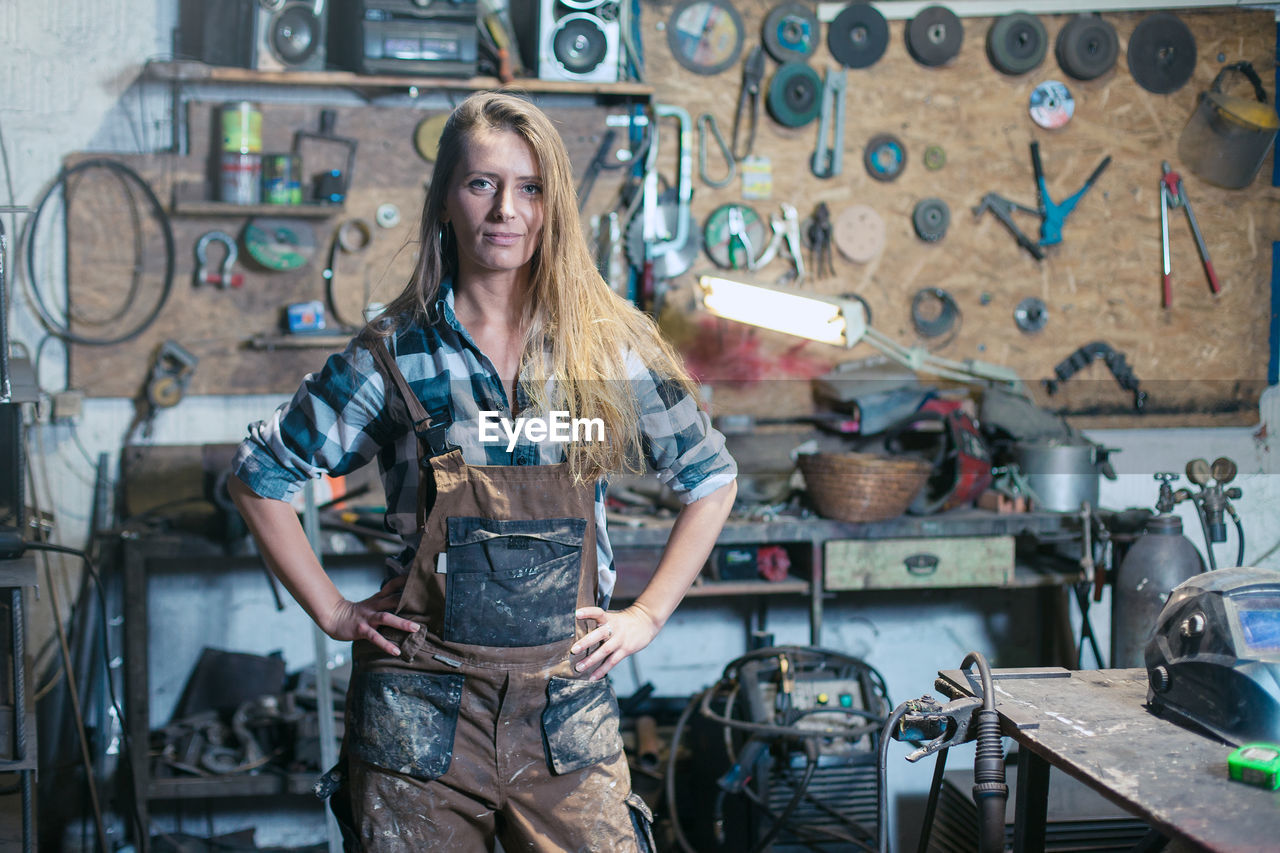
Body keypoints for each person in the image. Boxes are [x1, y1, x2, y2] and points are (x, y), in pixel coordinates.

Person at [229, 90, 737, 852]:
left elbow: (711, 476)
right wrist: (335, 612)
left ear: (553, 203)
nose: (506, 209)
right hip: (420, 717)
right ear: (445, 200)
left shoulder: (604, 350)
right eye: (481, 184)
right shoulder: (397, 351)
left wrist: (648, 615)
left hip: (566, 709)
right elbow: (260, 473)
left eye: (529, 187)